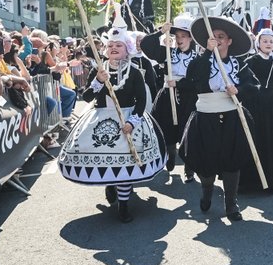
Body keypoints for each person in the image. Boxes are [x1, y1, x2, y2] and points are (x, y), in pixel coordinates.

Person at [57, 30, 166, 222]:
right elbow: (88, 97)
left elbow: (141, 100)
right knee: (103, 158)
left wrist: (133, 122)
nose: (114, 48)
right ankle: (110, 183)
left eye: (119, 45)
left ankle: (123, 206)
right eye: (110, 45)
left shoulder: (133, 71)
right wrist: (99, 81)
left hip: (128, 118)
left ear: (127, 49)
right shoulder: (98, 70)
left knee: (127, 162)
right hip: (100, 118)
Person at [180, 16, 260, 221]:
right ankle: (207, 190)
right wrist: (208, 52)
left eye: (221, 37)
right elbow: (194, 80)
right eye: (213, 37)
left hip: (232, 116)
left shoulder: (238, 64)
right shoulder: (200, 62)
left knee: (232, 161)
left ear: (229, 41)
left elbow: (254, 87)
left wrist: (238, 89)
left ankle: (231, 203)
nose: (217, 40)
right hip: (206, 117)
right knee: (206, 162)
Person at [142, 15, 201, 179]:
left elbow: (199, 82)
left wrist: (180, 84)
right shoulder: (167, 53)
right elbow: (146, 45)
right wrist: (161, 32)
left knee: (189, 132)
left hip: (189, 99)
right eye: (177, 36)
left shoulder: (197, 59)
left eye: (183, 36)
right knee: (166, 128)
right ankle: (170, 153)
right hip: (167, 96)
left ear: (190, 38)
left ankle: (190, 168)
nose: (179, 39)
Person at [241, 29, 273, 194]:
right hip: (253, 105)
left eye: (271, 41)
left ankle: (270, 181)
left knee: (271, 141)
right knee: (254, 140)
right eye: (265, 41)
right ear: (258, 43)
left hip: (272, 107)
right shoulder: (250, 61)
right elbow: (243, 83)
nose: (269, 44)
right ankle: (249, 183)